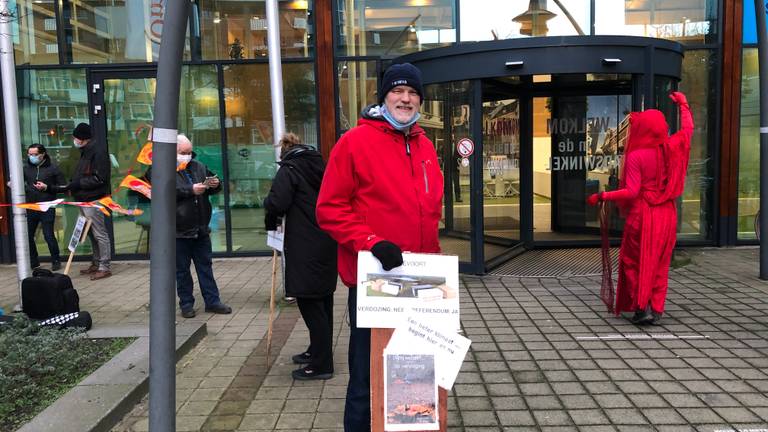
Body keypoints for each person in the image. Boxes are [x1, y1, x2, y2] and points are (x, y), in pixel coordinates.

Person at [316, 62, 444, 431]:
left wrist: (437, 272)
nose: (405, 99)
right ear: (384, 96)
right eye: (397, 92)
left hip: (421, 282)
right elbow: (329, 209)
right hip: (377, 281)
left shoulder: (424, 145)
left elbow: (427, 209)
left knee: (416, 371)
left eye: (412, 93)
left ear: (420, 100)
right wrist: (372, 242)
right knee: (369, 373)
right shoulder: (354, 142)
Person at [587, 91, 693, 325]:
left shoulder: (637, 156)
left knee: (634, 261)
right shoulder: (672, 149)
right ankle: (656, 307)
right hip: (666, 215)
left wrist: (603, 195)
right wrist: (683, 106)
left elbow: (632, 192)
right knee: (659, 262)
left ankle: (640, 306)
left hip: (643, 214)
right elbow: (687, 132)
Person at [263, 132, 338, 381]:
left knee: (309, 302)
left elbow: (278, 203)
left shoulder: (289, 169)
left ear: (283, 152)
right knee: (323, 300)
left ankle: (321, 364)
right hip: (326, 240)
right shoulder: (322, 167)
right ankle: (317, 351)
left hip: (304, 243)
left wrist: (269, 212)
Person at [146, 134, 232, 318]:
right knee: (182, 270)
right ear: (172, 152)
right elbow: (164, 192)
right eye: (183, 152)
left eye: (189, 152)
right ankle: (186, 303)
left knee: (205, 267)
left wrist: (215, 184)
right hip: (177, 230)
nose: (187, 155)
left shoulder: (198, 166)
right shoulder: (160, 169)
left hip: (200, 227)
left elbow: (212, 181)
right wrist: (190, 190)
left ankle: (213, 301)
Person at [52, 123, 112, 280]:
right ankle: (97, 262)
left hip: (94, 199)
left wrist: (78, 184)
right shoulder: (84, 151)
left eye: (75, 137)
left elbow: (100, 178)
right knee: (91, 232)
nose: (73, 140)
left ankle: (104, 266)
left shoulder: (98, 152)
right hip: (83, 198)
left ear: (82, 138)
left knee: (99, 233)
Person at [23, 144, 65, 271]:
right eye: (30, 154)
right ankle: (34, 261)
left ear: (43, 154)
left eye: (35, 154)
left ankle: (56, 260)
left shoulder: (53, 168)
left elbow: (63, 186)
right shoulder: (26, 168)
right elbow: (19, 182)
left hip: (47, 206)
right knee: (28, 235)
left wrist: (47, 187)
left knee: (48, 234)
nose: (32, 157)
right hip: (31, 206)